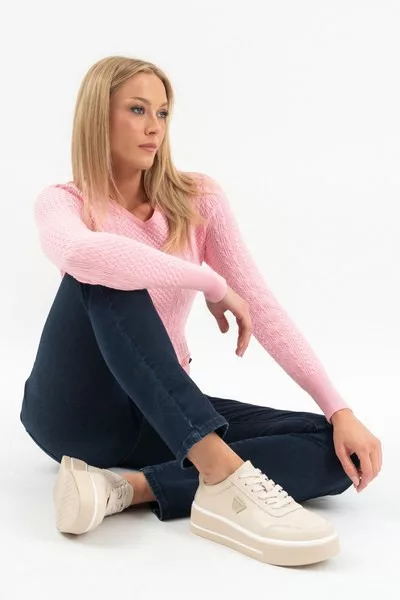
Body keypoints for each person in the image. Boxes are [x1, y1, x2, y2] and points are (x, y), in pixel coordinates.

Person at [20, 55, 382, 567]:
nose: (154, 127)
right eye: (138, 110)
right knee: (107, 270)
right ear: (98, 115)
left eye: (163, 113)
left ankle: (128, 489)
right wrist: (209, 281)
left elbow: (261, 305)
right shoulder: (64, 202)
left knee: (335, 451)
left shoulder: (196, 199)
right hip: (75, 413)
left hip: (159, 411)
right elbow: (82, 253)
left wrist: (339, 410)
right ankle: (222, 477)